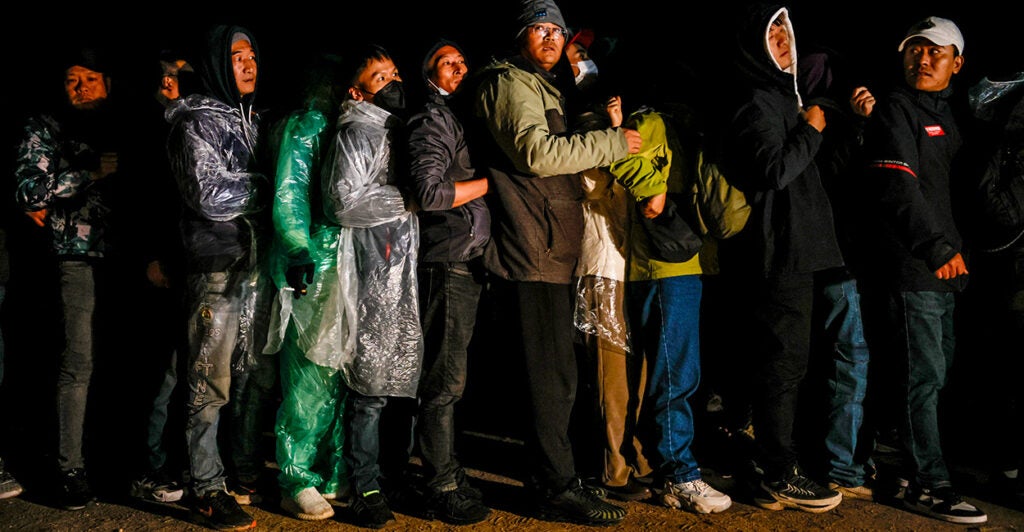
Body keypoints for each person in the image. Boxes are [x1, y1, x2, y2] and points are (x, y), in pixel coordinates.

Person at [466, 0, 641, 525]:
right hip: (528, 248)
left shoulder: (543, 86)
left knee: (559, 375)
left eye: (557, 31)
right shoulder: (509, 83)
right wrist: (611, 142)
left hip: (550, 249)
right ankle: (552, 488)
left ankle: (559, 478)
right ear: (520, 35)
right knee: (549, 378)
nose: (550, 37)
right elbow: (536, 155)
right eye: (539, 29)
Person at [859, 15, 986, 525]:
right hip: (911, 267)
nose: (923, 58)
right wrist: (935, 246)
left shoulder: (953, 116)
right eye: (915, 49)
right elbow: (896, 187)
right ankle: (929, 485)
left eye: (935, 51)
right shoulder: (896, 108)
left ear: (957, 62)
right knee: (921, 377)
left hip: (946, 272)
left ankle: (891, 467)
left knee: (930, 376)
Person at [717, 4, 844, 513]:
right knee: (782, 366)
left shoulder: (783, 97)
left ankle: (764, 464)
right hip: (779, 252)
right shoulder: (755, 102)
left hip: (798, 250)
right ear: (755, 44)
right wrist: (811, 129)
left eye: (785, 29)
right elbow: (771, 171)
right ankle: (778, 471)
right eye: (772, 31)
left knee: (782, 363)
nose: (782, 38)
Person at [166, 24, 272, 531]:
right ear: (214, 64)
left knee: (248, 375)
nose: (249, 64)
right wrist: (271, 186)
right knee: (210, 381)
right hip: (214, 267)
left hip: (250, 265)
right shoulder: (195, 123)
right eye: (237, 57)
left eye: (252, 54)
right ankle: (205, 487)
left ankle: (239, 473)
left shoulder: (249, 120)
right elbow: (210, 195)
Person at [13, 44, 121, 511]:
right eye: (71, 80)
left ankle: (127, 462)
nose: (80, 88)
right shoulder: (46, 127)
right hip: (76, 255)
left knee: (127, 360)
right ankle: (68, 468)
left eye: (90, 79)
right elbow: (28, 188)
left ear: (108, 82)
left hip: (132, 258)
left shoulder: (125, 123)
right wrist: (87, 173)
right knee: (77, 362)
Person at [321, 43, 423, 530]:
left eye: (395, 71)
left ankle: (392, 474)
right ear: (357, 91)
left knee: (396, 377)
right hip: (371, 271)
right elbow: (344, 203)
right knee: (368, 386)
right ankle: (363, 485)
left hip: (396, 271)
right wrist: (414, 197)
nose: (393, 82)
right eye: (380, 78)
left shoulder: (393, 128)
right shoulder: (358, 131)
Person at [402, 38, 492, 525]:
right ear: (428, 71)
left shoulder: (456, 116)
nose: (460, 66)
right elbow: (430, 192)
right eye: (447, 61)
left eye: (463, 59)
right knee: (442, 381)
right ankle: (439, 483)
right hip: (447, 261)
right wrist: (490, 183)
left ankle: (444, 470)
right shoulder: (431, 119)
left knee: (448, 378)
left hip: (462, 260)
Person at [562, 30, 654, 503]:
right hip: (599, 263)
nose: (584, 65)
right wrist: (613, 139)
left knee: (629, 371)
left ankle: (629, 455)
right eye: (575, 58)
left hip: (625, 262)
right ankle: (612, 468)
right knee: (609, 372)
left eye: (586, 56)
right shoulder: (578, 124)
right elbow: (592, 186)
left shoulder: (603, 117)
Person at [266, 52, 350, 522]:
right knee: (309, 375)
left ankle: (331, 471)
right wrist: (299, 250)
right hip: (316, 264)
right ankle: (296, 477)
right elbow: (290, 191)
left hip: (342, 262)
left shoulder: (341, 125)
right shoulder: (308, 125)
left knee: (335, 370)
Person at [796, 48, 878, 502]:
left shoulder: (806, 117)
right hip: (840, 259)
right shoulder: (824, 121)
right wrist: (861, 125)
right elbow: (841, 181)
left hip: (832, 259)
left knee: (829, 362)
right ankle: (840, 467)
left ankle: (834, 460)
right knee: (850, 360)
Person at [127, 48, 194, 505]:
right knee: (161, 372)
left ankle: (176, 465)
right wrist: (152, 256)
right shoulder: (153, 127)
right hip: (165, 265)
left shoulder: (183, 123)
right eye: (182, 77)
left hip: (188, 262)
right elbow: (145, 197)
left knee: (186, 371)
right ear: (168, 83)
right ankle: (147, 470)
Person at [963, 71, 1024, 508]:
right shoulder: (1003, 142)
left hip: (1009, 274)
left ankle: (1007, 468)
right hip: (1011, 277)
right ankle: (1007, 469)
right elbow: (997, 210)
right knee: (1008, 377)